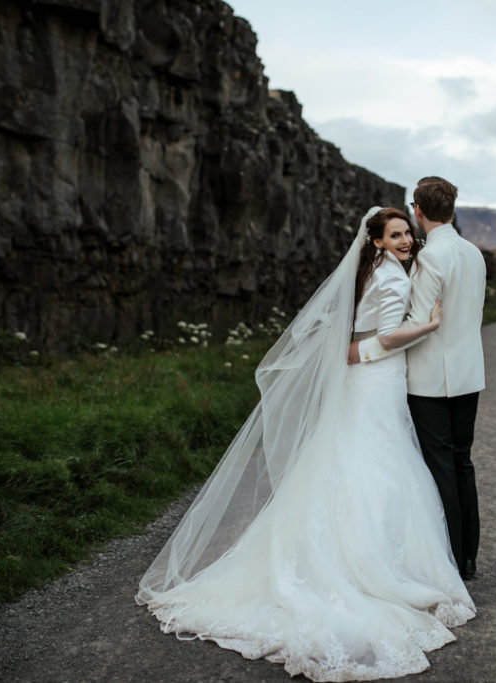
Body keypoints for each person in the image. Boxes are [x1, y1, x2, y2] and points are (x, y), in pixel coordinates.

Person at [136, 207, 475, 681]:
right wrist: (428, 326)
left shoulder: (370, 270)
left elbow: (354, 331)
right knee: (380, 466)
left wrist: (356, 350)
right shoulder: (393, 276)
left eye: (408, 233)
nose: (406, 241)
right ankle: (373, 565)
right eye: (395, 235)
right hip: (378, 378)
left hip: (363, 381)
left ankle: (344, 552)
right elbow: (384, 336)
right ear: (376, 240)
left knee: (351, 459)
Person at [350, 177, 486, 581]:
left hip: (430, 381)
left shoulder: (429, 259)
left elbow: (415, 322)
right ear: (453, 208)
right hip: (469, 375)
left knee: (440, 466)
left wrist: (363, 352)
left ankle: (450, 557)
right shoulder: (474, 253)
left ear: (418, 211)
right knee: (463, 463)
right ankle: (470, 556)